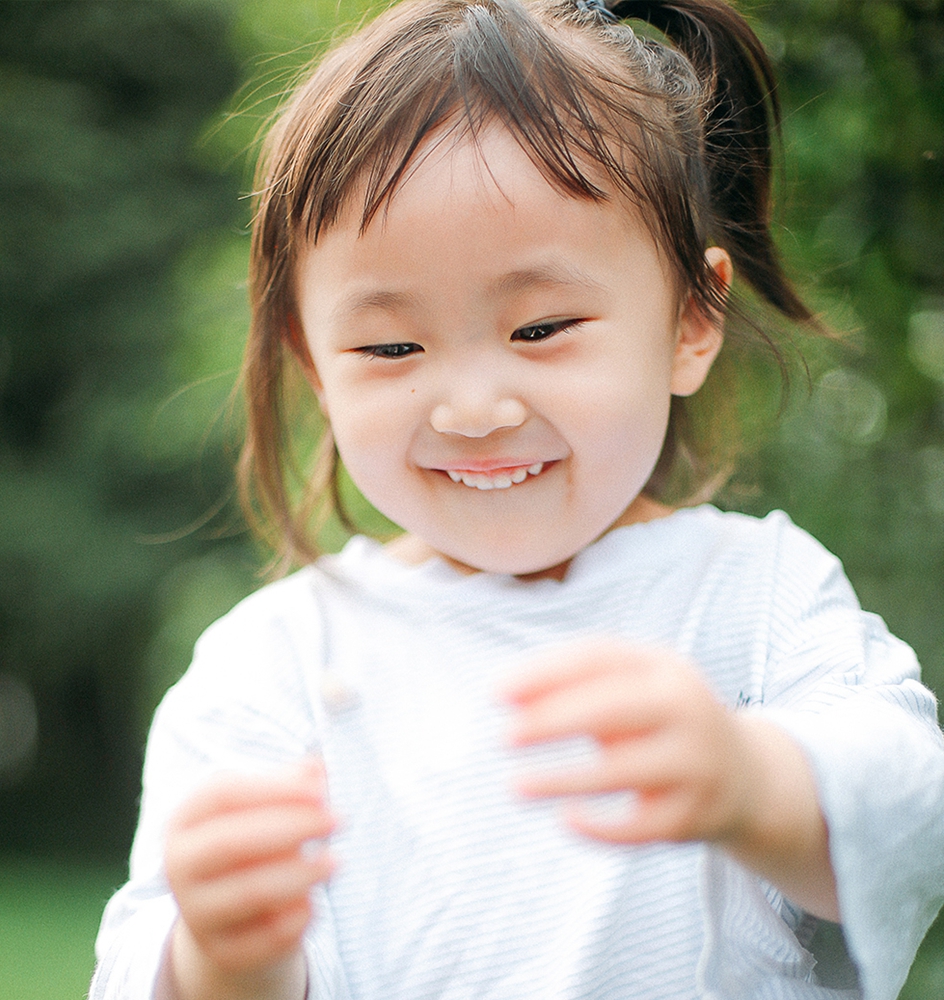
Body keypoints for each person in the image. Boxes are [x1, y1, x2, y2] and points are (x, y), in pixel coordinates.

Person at [90, 1, 944, 998]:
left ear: (689, 319)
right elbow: (145, 956)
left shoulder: (756, 596)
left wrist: (754, 784)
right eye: (390, 347)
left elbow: (913, 810)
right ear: (314, 365)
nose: (474, 407)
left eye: (541, 327)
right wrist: (224, 954)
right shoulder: (275, 663)